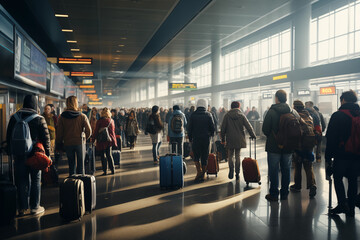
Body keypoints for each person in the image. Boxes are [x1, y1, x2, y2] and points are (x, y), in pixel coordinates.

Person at [6, 95, 51, 216]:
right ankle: (35, 207)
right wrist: (48, 155)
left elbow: (9, 136)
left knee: (21, 180)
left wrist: (9, 151)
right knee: (36, 179)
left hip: (19, 154)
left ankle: (22, 208)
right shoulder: (39, 118)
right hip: (35, 155)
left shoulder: (14, 117)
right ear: (35, 105)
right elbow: (46, 139)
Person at [325, 90, 360, 217]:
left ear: (343, 100)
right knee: (353, 180)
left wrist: (328, 157)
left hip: (341, 155)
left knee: (338, 178)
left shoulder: (338, 115)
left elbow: (331, 138)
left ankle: (342, 204)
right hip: (357, 156)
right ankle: (351, 208)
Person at [262, 90, 295, 201]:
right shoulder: (292, 111)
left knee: (274, 170)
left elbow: (265, 130)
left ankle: (274, 194)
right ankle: (285, 193)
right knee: (286, 169)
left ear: (276, 98)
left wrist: (272, 135)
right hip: (288, 145)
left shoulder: (271, 111)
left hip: (273, 146)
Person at [56, 96, 91, 176]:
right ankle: (81, 183)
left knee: (71, 165)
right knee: (81, 165)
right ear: (76, 103)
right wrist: (85, 139)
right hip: (80, 143)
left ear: (67, 103)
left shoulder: (62, 117)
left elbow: (59, 132)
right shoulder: (82, 116)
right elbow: (89, 131)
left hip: (68, 143)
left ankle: (73, 182)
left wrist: (59, 142)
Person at [220, 101, 256, 181]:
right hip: (239, 139)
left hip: (230, 138)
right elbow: (248, 126)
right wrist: (253, 135)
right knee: (237, 156)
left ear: (231, 107)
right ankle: (237, 173)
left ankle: (231, 170)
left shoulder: (227, 115)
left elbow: (223, 128)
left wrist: (222, 138)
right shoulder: (241, 115)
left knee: (230, 156)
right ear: (239, 107)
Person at [290, 100, 317, 198]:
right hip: (309, 145)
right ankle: (312, 185)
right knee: (308, 166)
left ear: (295, 107)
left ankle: (297, 186)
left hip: (299, 145)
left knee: (298, 166)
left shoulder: (295, 116)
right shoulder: (310, 116)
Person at [187, 99, 215, 182]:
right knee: (204, 155)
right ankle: (203, 174)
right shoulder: (209, 115)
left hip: (196, 138)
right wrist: (211, 135)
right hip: (206, 139)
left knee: (196, 155)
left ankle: (199, 172)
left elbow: (189, 128)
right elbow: (212, 128)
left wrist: (190, 138)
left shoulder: (193, 115)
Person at [93, 108, 117, 175]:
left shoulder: (99, 121)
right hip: (109, 140)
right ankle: (112, 169)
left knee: (103, 156)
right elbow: (113, 132)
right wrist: (114, 141)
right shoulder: (111, 121)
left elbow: (96, 131)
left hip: (101, 141)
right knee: (109, 155)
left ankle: (105, 171)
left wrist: (93, 138)